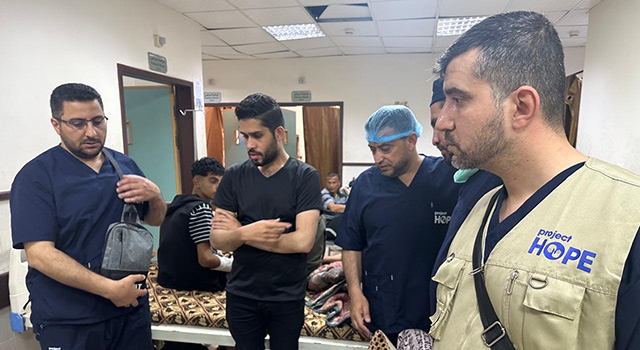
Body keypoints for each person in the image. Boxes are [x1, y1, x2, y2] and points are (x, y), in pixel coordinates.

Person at [429, 11, 640, 350]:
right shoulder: (479, 206)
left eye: (458, 100)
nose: (442, 123)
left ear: (522, 106)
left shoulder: (627, 219)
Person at [10, 83, 167, 350]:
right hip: (70, 320)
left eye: (97, 121)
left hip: (129, 312)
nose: (91, 132)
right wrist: (109, 289)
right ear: (56, 124)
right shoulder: (36, 177)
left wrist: (155, 195)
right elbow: (40, 254)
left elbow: (155, 220)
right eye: (77, 123)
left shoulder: (124, 166)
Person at [336, 105, 460, 345]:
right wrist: (355, 291)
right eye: (372, 149)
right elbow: (351, 243)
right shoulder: (365, 185)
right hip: (385, 307)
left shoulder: (448, 178)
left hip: (438, 309)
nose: (377, 158)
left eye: (385, 149)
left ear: (411, 140)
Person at [210, 93, 322, 350]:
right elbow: (217, 238)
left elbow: (303, 242)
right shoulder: (234, 176)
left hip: (286, 296)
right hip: (242, 295)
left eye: (257, 136)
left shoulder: (305, 177)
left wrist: (241, 233)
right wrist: (250, 232)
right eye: (244, 136)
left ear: (279, 133)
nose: (249, 144)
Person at [158, 156, 232, 292]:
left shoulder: (177, 205)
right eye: (213, 181)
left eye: (220, 183)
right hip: (193, 282)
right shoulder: (201, 208)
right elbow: (206, 259)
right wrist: (232, 264)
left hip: (169, 278)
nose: (218, 188)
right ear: (197, 182)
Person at [321, 172, 349, 239]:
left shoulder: (343, 195)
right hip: (328, 223)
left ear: (339, 183)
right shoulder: (324, 194)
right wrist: (353, 208)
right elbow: (333, 208)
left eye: (334, 183)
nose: (331, 186)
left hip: (339, 223)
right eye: (329, 183)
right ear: (326, 183)